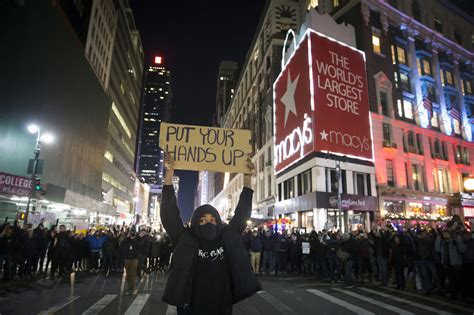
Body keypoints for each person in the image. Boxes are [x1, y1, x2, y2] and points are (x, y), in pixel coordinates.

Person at [160, 153, 261, 315]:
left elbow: (242, 214)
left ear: (219, 222)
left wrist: (248, 178)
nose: (208, 223)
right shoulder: (185, 238)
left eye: (213, 219)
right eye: (202, 220)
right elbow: (169, 215)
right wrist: (169, 174)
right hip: (189, 307)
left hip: (221, 306)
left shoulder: (226, 236)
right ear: (195, 223)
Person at [120, 230, 140, 295]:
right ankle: (130, 287)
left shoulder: (137, 240)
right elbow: (121, 245)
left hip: (134, 259)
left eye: (132, 234)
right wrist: (127, 238)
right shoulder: (126, 240)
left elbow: (140, 246)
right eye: (130, 234)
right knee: (128, 274)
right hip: (127, 258)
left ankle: (132, 288)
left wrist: (134, 238)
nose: (131, 235)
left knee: (132, 273)